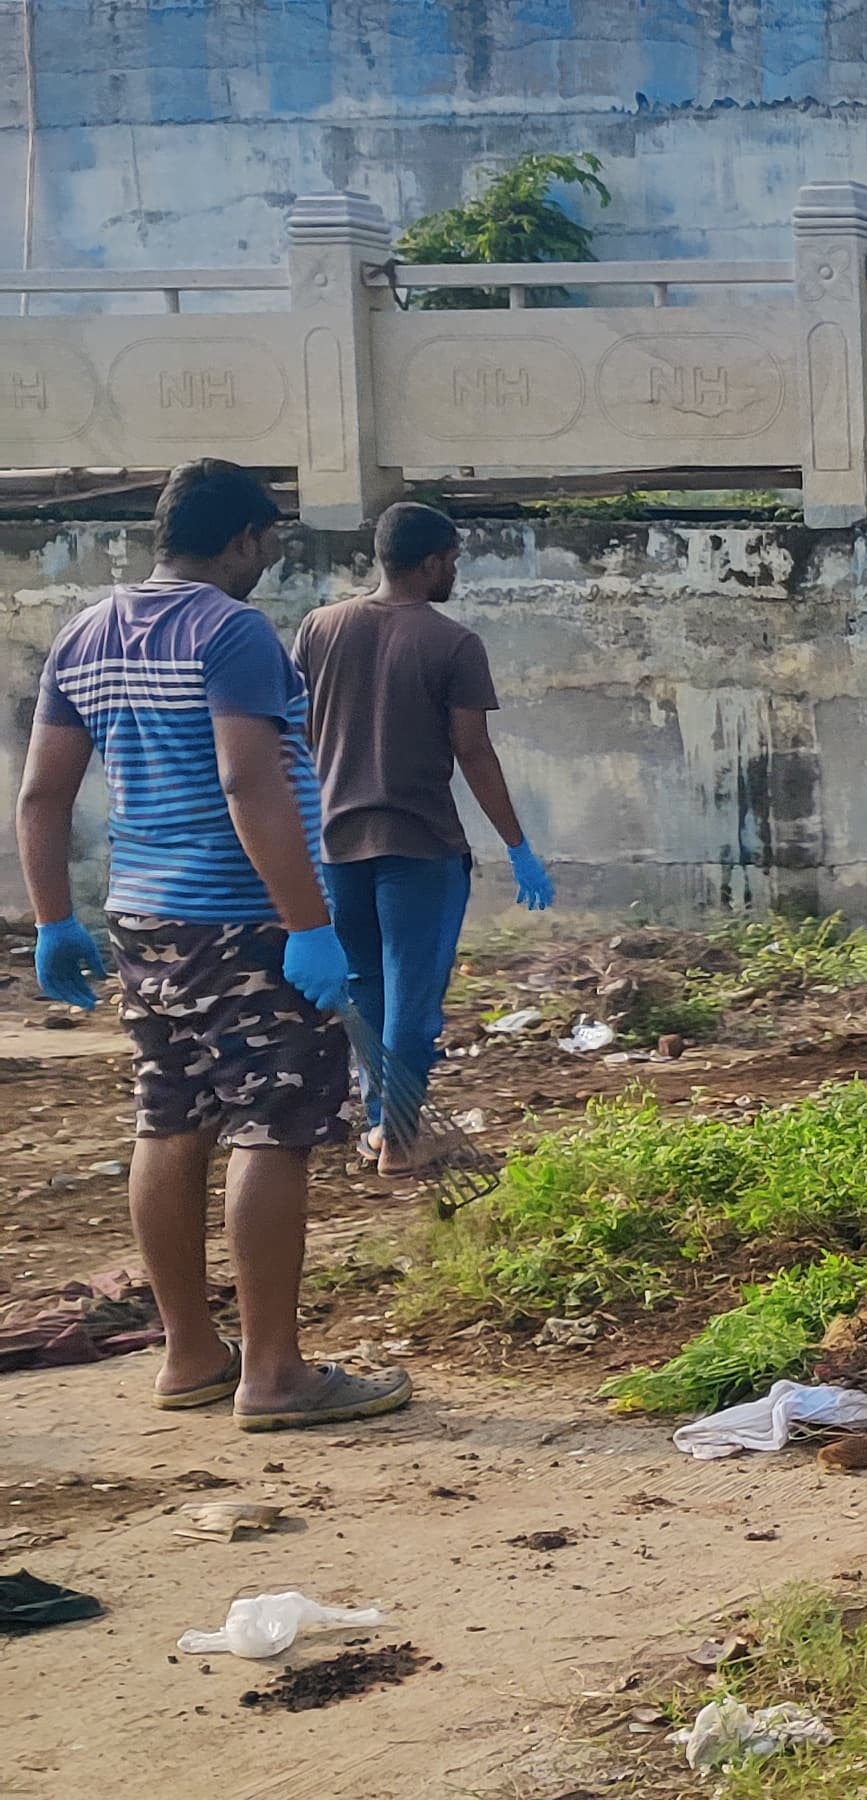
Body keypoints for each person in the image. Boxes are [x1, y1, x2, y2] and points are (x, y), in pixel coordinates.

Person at [16, 459, 408, 1430]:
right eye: (268, 543)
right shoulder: (230, 633)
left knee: (170, 1117)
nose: (269, 560)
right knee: (271, 1127)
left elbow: (42, 792)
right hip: (243, 920)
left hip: (143, 921)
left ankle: (190, 1356)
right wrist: (309, 925)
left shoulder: (86, 631)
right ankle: (274, 1374)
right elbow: (247, 782)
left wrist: (54, 918)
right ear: (242, 539)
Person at [291, 502, 554, 1173]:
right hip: (420, 849)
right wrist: (518, 844)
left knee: (369, 993)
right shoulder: (454, 643)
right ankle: (400, 1141)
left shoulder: (319, 628)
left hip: (335, 845)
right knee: (412, 1000)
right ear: (432, 560)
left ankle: (384, 1127)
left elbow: (299, 734)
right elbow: (474, 751)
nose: (455, 571)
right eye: (454, 560)